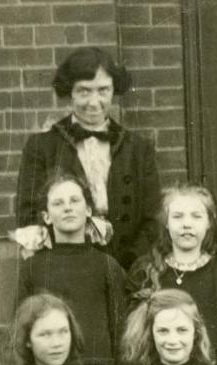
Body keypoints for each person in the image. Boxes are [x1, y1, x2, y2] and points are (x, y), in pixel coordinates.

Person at [14, 45, 160, 269]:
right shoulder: (41, 147)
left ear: (114, 90)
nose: (94, 102)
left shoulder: (139, 149)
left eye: (103, 90)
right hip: (65, 265)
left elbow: (152, 220)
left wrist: (130, 264)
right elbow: (29, 214)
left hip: (127, 267)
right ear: (69, 92)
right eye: (84, 91)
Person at [126, 182, 217, 365]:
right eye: (178, 216)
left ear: (209, 222)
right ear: (166, 223)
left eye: (196, 216)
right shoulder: (146, 272)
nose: (187, 224)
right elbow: (136, 338)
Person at [16, 172, 128, 365]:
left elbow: (120, 332)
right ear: (47, 217)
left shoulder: (107, 265)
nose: (67, 208)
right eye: (58, 203)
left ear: (88, 210)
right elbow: (22, 328)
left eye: (75, 200)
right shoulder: (32, 268)